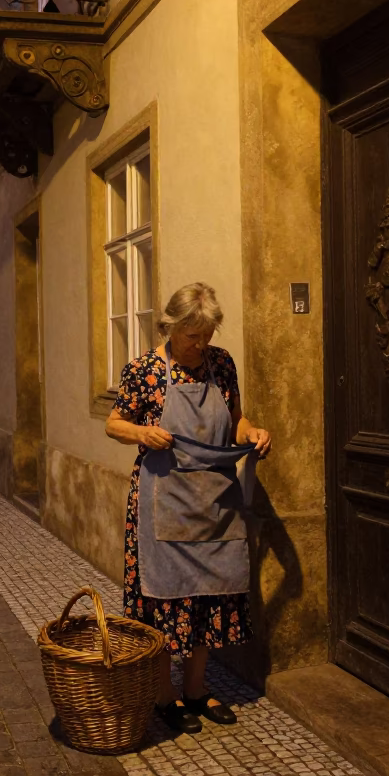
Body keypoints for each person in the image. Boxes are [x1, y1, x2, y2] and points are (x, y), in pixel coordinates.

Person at [105, 282, 272, 735]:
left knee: (207, 598)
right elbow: (114, 423)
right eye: (191, 336)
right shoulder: (143, 370)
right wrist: (142, 434)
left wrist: (253, 433)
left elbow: (236, 420)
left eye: (206, 335)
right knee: (164, 600)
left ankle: (196, 689)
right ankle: (164, 694)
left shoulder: (221, 364)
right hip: (163, 500)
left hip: (214, 502)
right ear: (170, 327)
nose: (200, 345)